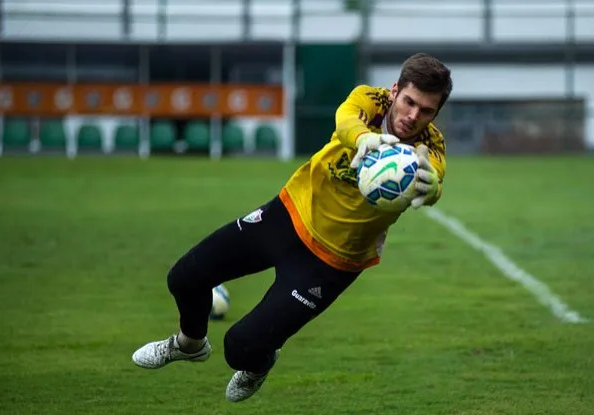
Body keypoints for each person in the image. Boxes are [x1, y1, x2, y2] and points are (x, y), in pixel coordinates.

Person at [131, 52, 452, 402]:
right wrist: (362, 138)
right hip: (287, 215)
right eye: (409, 102)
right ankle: (188, 344)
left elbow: (432, 179)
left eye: (426, 110)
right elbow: (345, 118)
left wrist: (433, 187)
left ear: (436, 113)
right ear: (394, 91)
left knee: (240, 348)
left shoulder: (429, 147)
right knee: (184, 277)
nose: (413, 115)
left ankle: (260, 361)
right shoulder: (370, 101)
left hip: (330, 263)